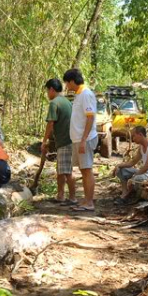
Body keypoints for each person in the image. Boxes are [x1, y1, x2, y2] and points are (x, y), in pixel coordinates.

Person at [63, 68, 98, 212]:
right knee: (84, 170)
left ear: (72, 81)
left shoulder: (86, 94)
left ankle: (89, 202)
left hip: (85, 139)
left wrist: (83, 140)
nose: (66, 86)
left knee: (87, 169)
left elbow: (90, 117)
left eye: (67, 83)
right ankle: (86, 199)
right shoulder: (79, 95)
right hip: (78, 139)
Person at [41, 78, 76, 204]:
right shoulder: (66, 101)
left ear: (51, 89)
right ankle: (60, 195)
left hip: (66, 141)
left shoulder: (54, 103)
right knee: (61, 170)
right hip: (67, 140)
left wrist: (44, 141)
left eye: (47, 91)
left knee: (66, 171)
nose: (47, 94)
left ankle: (72, 198)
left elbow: (50, 123)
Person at [113, 126, 148, 202]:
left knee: (137, 179)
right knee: (122, 170)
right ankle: (124, 194)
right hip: (145, 174)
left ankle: (131, 197)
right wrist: (118, 166)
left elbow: (147, 166)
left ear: (140, 134)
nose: (133, 139)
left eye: (134, 136)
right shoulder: (141, 148)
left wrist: (133, 177)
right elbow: (132, 162)